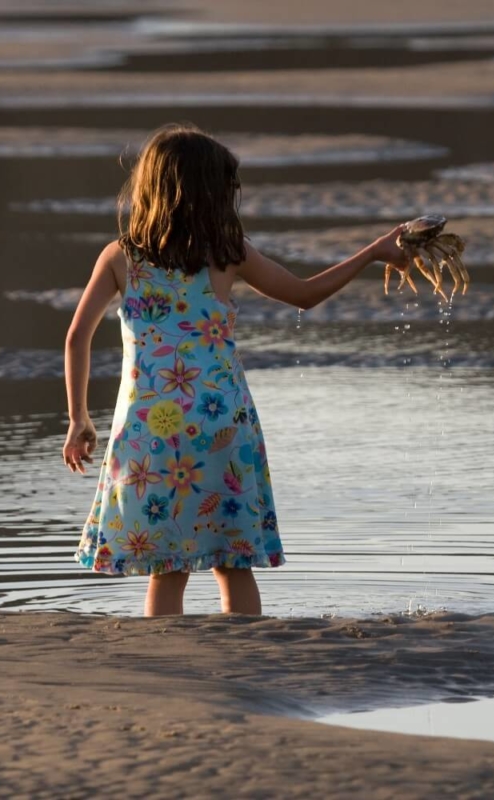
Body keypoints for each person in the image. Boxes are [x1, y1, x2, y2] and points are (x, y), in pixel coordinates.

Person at [63, 123, 409, 617]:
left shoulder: (122, 256)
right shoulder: (228, 253)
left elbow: (77, 337)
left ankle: (169, 668)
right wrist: (374, 251)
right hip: (222, 423)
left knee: (168, 567)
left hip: (151, 430)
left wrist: (79, 418)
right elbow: (305, 294)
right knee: (234, 560)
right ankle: (248, 655)